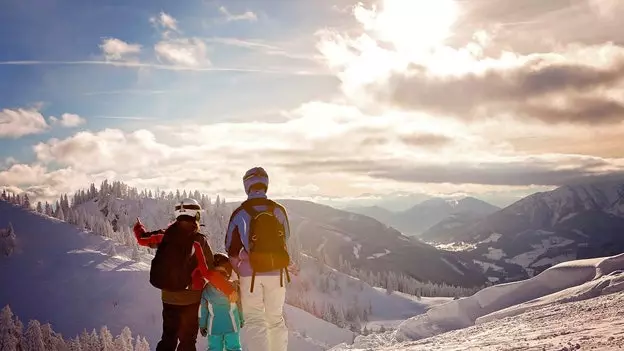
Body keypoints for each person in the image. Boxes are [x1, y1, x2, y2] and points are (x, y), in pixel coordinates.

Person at [134, 198, 238, 351]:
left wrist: (138, 227)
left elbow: (142, 239)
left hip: (168, 296)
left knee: (168, 338)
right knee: (187, 341)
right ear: (196, 216)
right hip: (190, 298)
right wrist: (228, 289)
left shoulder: (165, 236)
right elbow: (209, 272)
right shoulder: (198, 241)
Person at [225, 167, 293, 351]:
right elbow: (286, 237)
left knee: (255, 320)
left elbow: (230, 247)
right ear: (265, 184)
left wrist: (240, 267)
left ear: (246, 185)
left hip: (250, 274)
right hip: (277, 273)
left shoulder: (240, 213)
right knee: (276, 319)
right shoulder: (278, 210)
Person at [199, 253, 243, 351]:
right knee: (234, 348)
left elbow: (203, 310)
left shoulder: (206, 289)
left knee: (214, 348)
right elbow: (239, 305)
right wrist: (242, 319)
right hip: (232, 325)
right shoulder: (233, 287)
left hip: (214, 327)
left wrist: (202, 325)